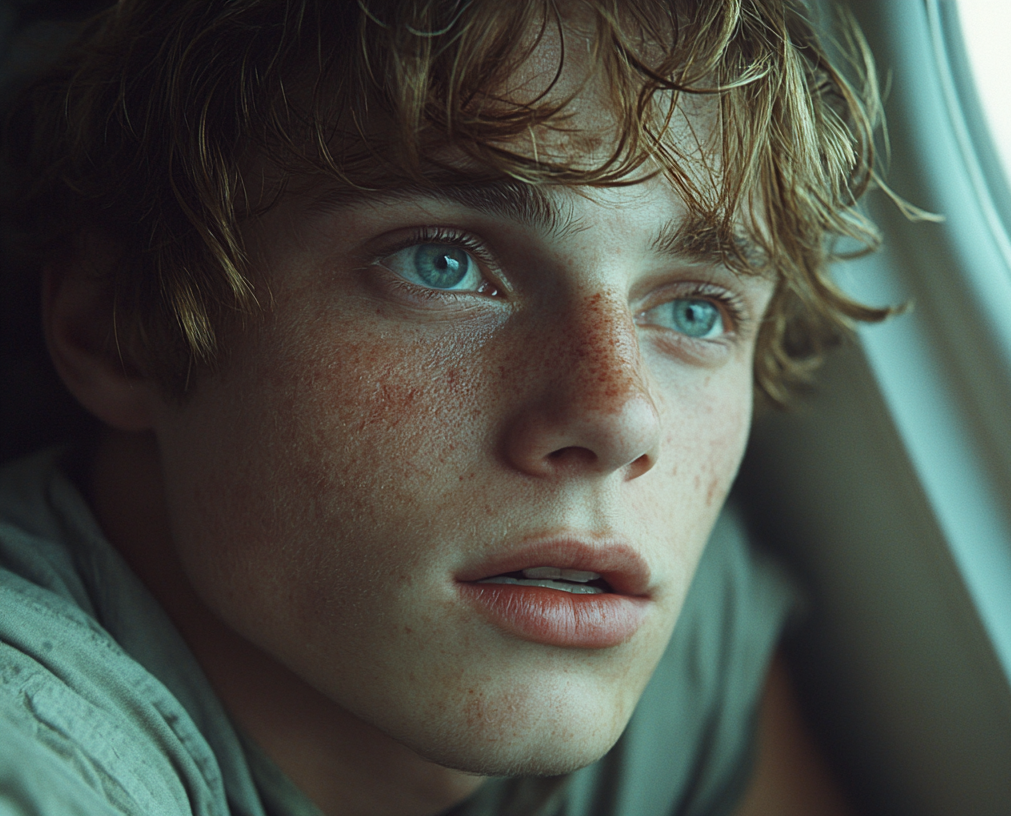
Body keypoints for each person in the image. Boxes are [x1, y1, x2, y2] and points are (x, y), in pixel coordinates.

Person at [0, 1, 895, 814]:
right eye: (442, 262)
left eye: (694, 311)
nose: (621, 420)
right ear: (118, 322)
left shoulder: (622, 612)